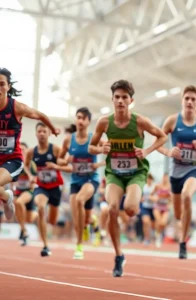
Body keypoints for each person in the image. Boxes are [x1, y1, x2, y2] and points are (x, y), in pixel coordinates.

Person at [88, 79, 167, 277]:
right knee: (113, 208)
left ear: (131, 100)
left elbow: (162, 136)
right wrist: (101, 148)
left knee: (130, 210)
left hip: (136, 174)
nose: (120, 101)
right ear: (112, 99)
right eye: (117, 97)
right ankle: (118, 255)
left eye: (124, 97)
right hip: (114, 174)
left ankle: (127, 217)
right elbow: (91, 147)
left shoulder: (139, 121)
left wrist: (147, 150)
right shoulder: (104, 122)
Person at [158, 85, 196, 259]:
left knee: (187, 195)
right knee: (178, 214)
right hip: (176, 172)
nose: (190, 102)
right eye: (187, 98)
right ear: (182, 101)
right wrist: (169, 152)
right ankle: (182, 230)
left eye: (194, 99)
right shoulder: (172, 121)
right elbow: (158, 143)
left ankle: (183, 242)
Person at [0, 68, 60, 223]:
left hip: (12, 160)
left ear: (8, 87)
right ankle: (6, 197)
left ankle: (6, 198)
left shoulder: (16, 107)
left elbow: (40, 115)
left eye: (2, 84)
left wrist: (53, 129)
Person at [57, 107, 104, 259]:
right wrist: (66, 160)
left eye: (84, 118)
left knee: (79, 200)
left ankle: (79, 246)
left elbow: (109, 152)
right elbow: (59, 159)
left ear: (89, 121)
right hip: (75, 181)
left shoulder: (94, 138)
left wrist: (99, 164)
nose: (81, 120)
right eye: (78, 117)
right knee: (80, 218)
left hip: (91, 179)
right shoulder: (68, 140)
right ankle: (92, 226)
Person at [25, 122, 67, 257]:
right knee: (41, 207)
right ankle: (45, 245)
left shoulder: (55, 149)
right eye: (40, 131)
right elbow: (25, 165)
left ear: (49, 134)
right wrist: (31, 175)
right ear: (36, 134)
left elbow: (65, 162)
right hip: (41, 186)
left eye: (44, 131)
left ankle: (43, 221)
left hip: (55, 187)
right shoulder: (32, 151)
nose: (42, 134)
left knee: (53, 221)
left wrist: (56, 166)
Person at [14, 142, 38, 246]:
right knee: (18, 206)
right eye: (20, 149)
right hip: (18, 190)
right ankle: (24, 231)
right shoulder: (15, 163)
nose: (22, 151)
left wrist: (26, 169)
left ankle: (24, 230)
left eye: (24, 149)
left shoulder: (31, 164)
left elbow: (34, 179)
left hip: (29, 190)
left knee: (20, 204)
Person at [152, 173, 171, 248]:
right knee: (159, 221)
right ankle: (158, 237)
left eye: (166, 178)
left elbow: (172, 198)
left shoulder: (170, 187)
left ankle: (158, 233)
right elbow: (151, 195)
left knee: (163, 223)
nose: (165, 179)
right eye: (164, 177)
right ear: (162, 178)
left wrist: (170, 202)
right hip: (157, 207)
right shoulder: (158, 186)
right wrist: (155, 198)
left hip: (165, 207)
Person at [140, 173, 156, 246]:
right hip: (145, 207)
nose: (148, 180)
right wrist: (142, 199)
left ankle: (154, 237)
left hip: (154, 208)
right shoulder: (143, 187)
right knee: (146, 222)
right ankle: (146, 238)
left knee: (153, 225)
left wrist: (151, 198)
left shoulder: (155, 187)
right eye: (147, 178)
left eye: (150, 178)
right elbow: (140, 198)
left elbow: (157, 198)